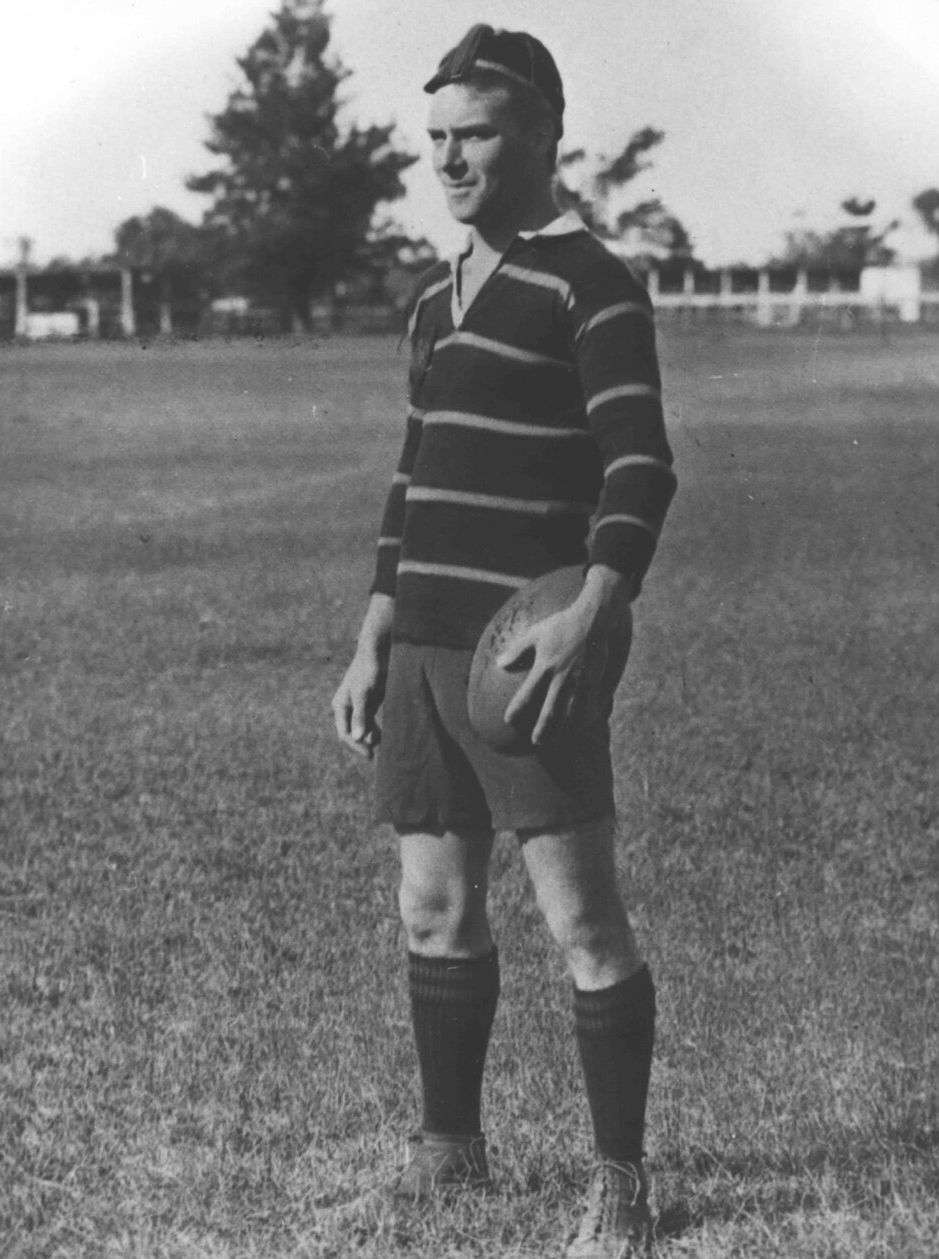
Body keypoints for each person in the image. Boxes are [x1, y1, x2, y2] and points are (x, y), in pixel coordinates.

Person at [331, 23, 676, 1258]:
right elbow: (411, 478)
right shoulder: (436, 298)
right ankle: (449, 1150)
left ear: (540, 133)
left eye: (473, 133)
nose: (449, 159)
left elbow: (640, 463)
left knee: (580, 918)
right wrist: (374, 630)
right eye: (435, 138)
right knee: (433, 906)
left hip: (522, 655)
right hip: (422, 647)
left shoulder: (591, 282)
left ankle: (623, 1184)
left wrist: (597, 605)